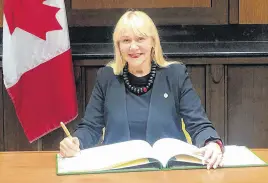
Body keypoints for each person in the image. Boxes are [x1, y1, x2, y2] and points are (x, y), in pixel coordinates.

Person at [60, 10, 224, 169]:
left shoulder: (175, 75)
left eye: (140, 39)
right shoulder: (107, 77)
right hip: (118, 169)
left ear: (153, 42)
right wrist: (76, 141)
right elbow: (90, 127)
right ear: (118, 46)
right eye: (125, 40)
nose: (133, 47)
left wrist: (212, 143)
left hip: (167, 170)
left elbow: (199, 124)